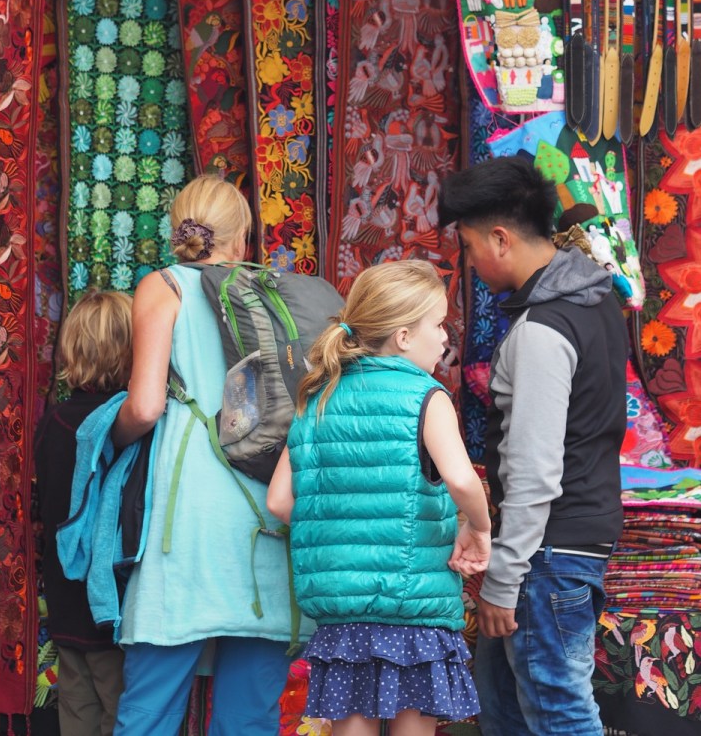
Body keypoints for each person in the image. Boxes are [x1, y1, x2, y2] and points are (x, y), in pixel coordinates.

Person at [111, 174, 307, 736]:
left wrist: (107, 444)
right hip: (268, 512)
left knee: (150, 706)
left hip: (191, 518)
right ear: (242, 238)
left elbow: (145, 406)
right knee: (249, 717)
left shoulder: (164, 286)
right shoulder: (275, 294)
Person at [439, 156, 629, 736]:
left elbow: (536, 470)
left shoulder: (545, 328)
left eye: (470, 246)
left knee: (556, 711)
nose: (470, 262)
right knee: (506, 708)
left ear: (500, 238)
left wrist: (503, 578)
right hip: (563, 545)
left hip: (548, 553)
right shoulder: (596, 305)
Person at [267, 259, 491, 736]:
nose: (447, 337)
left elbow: (280, 502)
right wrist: (480, 527)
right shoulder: (425, 398)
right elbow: (462, 479)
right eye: (438, 324)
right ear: (404, 336)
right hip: (415, 609)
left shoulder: (318, 396)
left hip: (342, 617)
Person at [34, 289, 133, 735]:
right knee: (122, 708)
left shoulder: (54, 421)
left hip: (65, 593)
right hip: (113, 600)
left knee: (76, 707)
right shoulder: (128, 424)